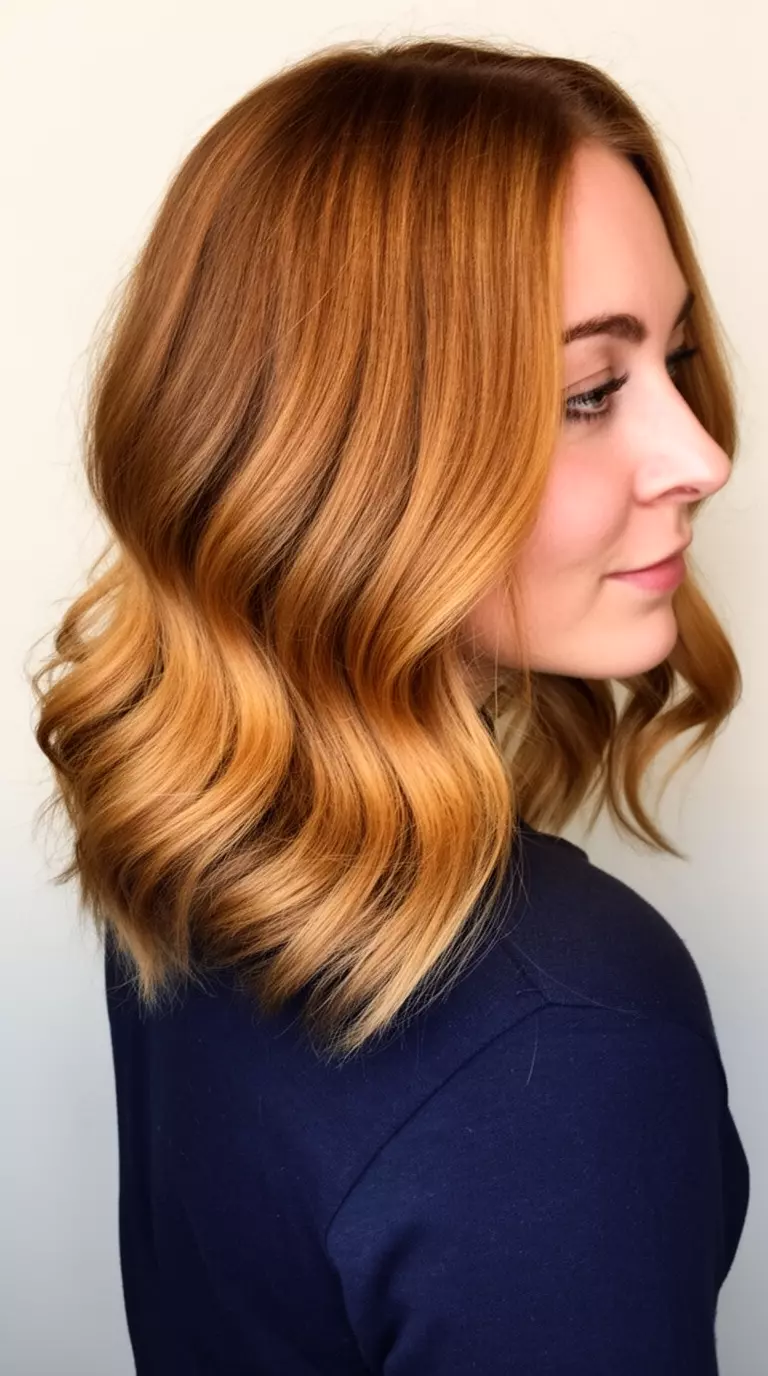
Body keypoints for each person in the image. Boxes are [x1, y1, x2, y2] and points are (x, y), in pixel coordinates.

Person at [30, 35, 749, 1374]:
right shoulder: (568, 1028)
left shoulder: (200, 830)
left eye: (677, 355)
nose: (701, 453)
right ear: (355, 453)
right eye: (590, 391)